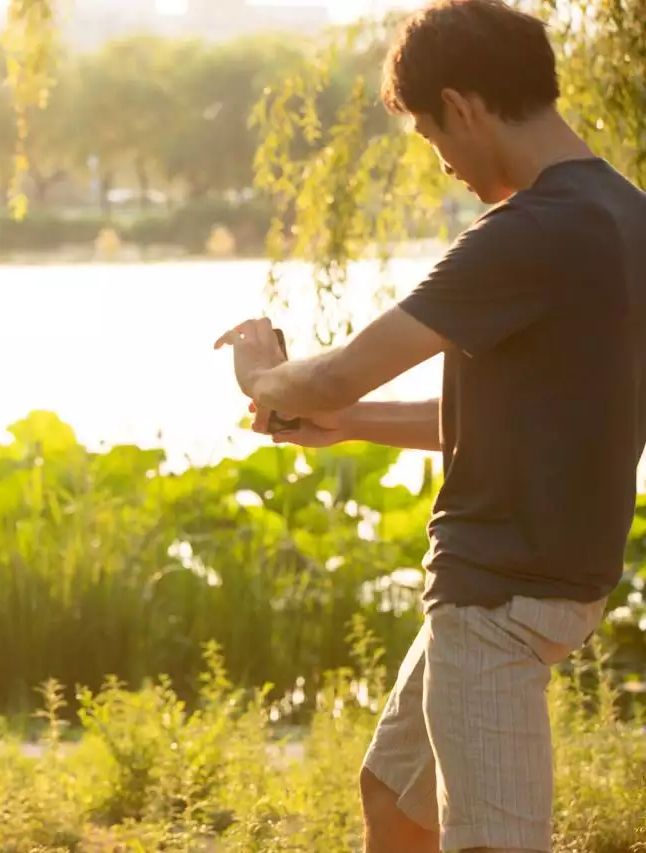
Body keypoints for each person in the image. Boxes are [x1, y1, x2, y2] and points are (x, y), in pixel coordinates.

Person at [218, 2, 646, 852]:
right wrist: (347, 423)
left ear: (464, 105)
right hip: (544, 576)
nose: (443, 161)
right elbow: (522, 411)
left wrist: (263, 371)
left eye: (429, 135)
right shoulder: (624, 214)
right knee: (395, 798)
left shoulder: (526, 233)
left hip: (498, 595)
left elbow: (341, 365)